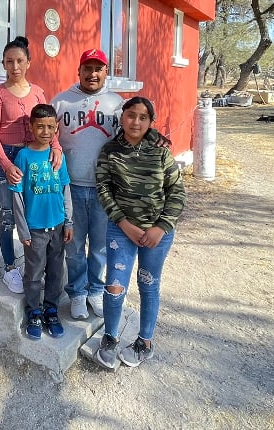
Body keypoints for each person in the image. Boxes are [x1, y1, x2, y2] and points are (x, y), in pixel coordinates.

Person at [51, 49, 170, 321]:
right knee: (74, 244)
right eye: (88, 68)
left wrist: (156, 136)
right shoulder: (61, 103)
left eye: (99, 69)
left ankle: (95, 289)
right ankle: (77, 293)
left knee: (101, 246)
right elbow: (47, 135)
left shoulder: (116, 104)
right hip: (70, 187)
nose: (93, 74)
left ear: (106, 72)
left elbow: (136, 127)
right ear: (79, 71)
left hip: (107, 189)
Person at [92, 96, 186, 369]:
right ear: (122, 117)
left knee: (148, 284)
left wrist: (161, 227)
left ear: (150, 122)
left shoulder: (160, 152)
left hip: (158, 234)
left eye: (143, 117)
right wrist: (124, 224)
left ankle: (144, 343)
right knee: (114, 284)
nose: (136, 122)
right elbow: (104, 190)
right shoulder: (109, 151)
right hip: (121, 230)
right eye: (131, 115)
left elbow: (177, 193)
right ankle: (109, 336)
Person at [0, 36, 62, 294]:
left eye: (20, 61)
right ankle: (10, 268)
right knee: (8, 216)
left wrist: (56, 147)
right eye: (9, 62)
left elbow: (49, 124)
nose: (15, 66)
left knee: (33, 217)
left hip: (34, 159)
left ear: (28, 62)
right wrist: (7, 165)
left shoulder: (39, 92)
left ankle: (34, 266)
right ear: (4, 64)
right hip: (5, 160)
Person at [9, 104, 73, 339]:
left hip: (57, 226)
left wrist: (69, 222)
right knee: (34, 273)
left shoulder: (58, 156)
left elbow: (65, 188)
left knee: (56, 271)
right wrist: (22, 230)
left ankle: (51, 310)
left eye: (50, 127)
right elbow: (17, 195)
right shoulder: (23, 156)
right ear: (31, 127)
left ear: (56, 128)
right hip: (35, 230)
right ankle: (34, 312)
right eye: (40, 126)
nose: (45, 131)